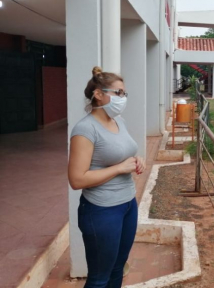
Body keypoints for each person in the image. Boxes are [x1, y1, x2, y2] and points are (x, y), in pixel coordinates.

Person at [68, 66, 146, 288]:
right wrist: (119, 168)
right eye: (117, 93)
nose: (122, 98)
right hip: (101, 211)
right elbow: (77, 180)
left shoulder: (118, 121)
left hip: (127, 204)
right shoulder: (85, 130)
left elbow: (121, 153)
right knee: (99, 278)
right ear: (98, 94)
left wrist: (137, 159)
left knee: (117, 269)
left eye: (124, 94)